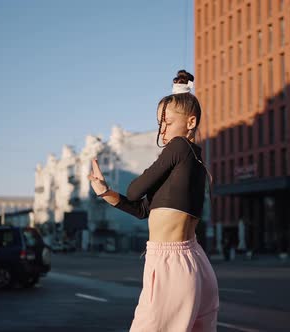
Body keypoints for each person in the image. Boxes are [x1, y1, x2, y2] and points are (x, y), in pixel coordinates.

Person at [87, 70, 219, 331]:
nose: (162, 130)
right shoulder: (192, 161)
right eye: (159, 123)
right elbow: (142, 209)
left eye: (168, 122)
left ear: (191, 122)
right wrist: (105, 192)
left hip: (171, 263)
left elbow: (136, 190)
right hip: (193, 261)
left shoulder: (179, 147)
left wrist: (130, 188)